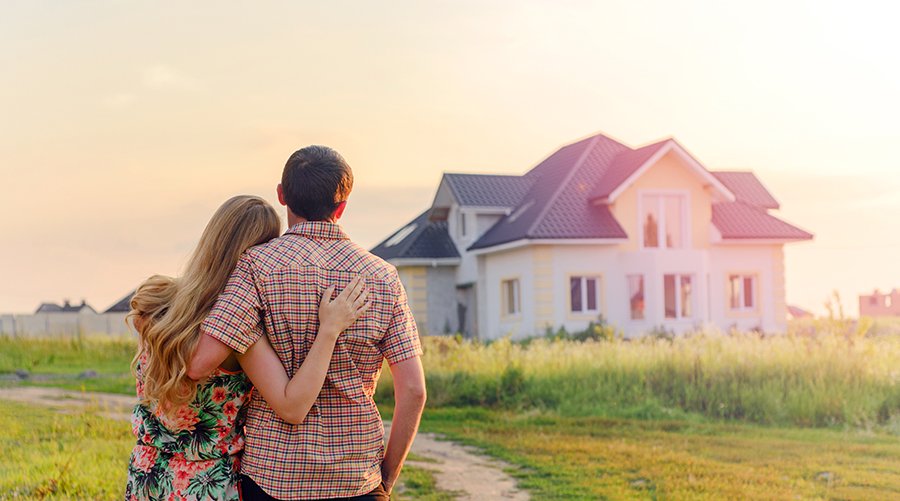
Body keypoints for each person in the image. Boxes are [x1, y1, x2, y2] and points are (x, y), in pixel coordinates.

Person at [188, 146, 427, 501]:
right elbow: (413, 390)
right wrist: (386, 480)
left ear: (282, 194)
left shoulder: (257, 266)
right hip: (356, 477)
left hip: (273, 477)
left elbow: (203, 360)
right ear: (342, 206)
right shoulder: (383, 277)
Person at [124, 195, 370, 501]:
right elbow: (292, 405)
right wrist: (329, 330)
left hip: (147, 475)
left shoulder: (157, 300)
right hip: (206, 485)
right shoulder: (239, 334)